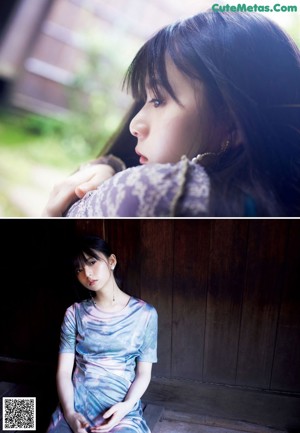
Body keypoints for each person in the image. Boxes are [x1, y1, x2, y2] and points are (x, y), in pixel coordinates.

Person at [42, 11, 300, 217]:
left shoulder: (150, 194)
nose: (135, 125)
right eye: (143, 100)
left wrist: (103, 173)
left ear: (233, 125)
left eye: (158, 100)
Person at [47, 235, 158, 433]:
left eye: (92, 262)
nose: (87, 273)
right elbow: (64, 372)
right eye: (79, 269)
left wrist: (126, 406)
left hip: (120, 408)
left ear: (111, 261)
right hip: (76, 404)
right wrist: (71, 414)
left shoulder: (145, 314)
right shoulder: (74, 313)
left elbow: (143, 373)